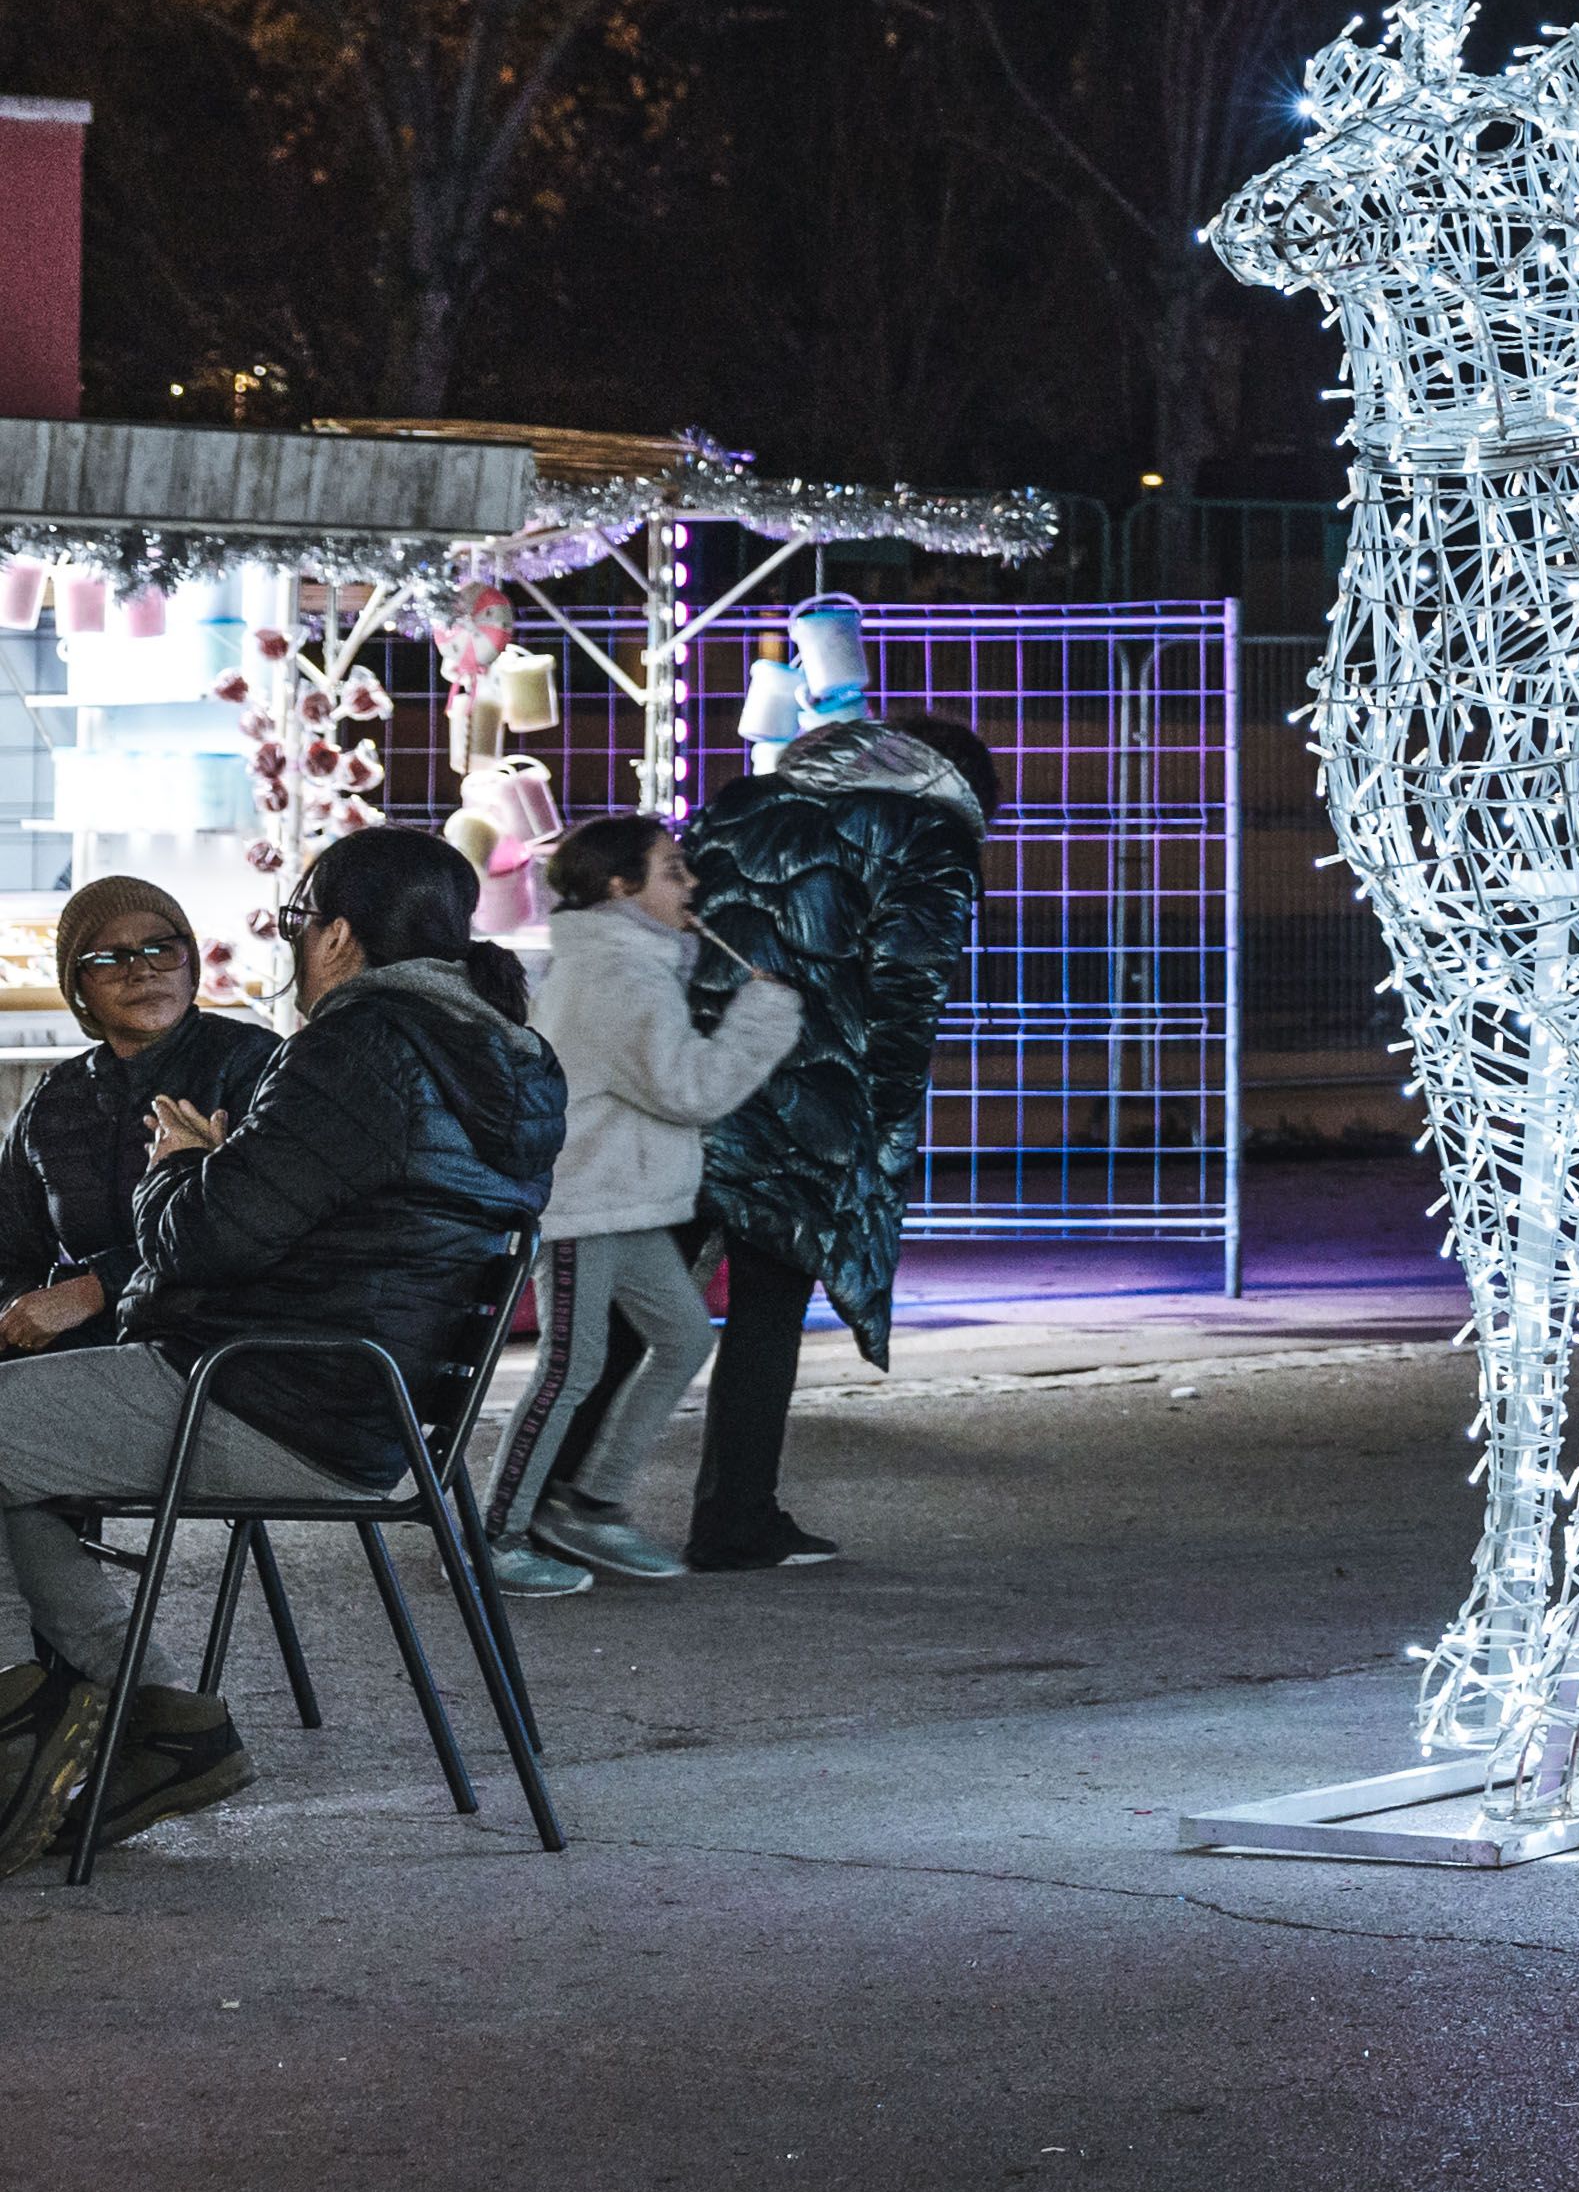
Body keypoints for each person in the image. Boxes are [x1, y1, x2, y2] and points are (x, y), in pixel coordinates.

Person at [0, 824, 562, 1869]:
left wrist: (177, 1164)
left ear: (338, 935)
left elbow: (211, 1237)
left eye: (295, 920)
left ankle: (43, 1733)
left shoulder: (355, 1044)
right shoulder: (500, 1052)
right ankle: (131, 1716)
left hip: (271, 1393)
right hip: (357, 1404)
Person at [681, 711, 997, 1571]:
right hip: (804, 1104)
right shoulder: (929, 830)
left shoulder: (741, 804)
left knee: (635, 1306)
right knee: (765, 1318)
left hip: (684, 1082)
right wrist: (885, 1110)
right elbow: (910, 981)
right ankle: (734, 1516)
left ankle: (549, 1505)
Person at [479, 815, 802, 1593]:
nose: (688, 885)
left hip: (623, 1199)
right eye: (671, 870)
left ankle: (589, 1503)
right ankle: (494, 1535)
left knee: (683, 1335)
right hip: (589, 1201)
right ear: (621, 885)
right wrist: (763, 1020)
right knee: (569, 1366)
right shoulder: (618, 976)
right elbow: (691, 1088)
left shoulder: (631, 962)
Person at [0, 878, 279, 1363]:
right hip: (86, 1354)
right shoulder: (56, 1099)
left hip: (216, 1357)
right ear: (78, 987)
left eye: (161, 949)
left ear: (190, 962)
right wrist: (22, 1313)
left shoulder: (255, 1066)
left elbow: (263, 1231)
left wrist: (95, 1289)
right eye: (109, 959)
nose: (141, 970)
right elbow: (10, 1250)